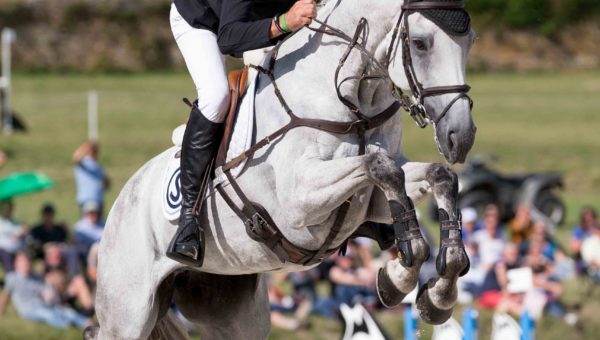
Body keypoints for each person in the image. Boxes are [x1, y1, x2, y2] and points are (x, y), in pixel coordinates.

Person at [167, 0, 318, 266]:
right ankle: (188, 219)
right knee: (216, 97)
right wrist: (283, 23)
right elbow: (228, 39)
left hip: (253, 16)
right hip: (201, 19)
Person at [0, 252, 91, 329]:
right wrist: (1, 310)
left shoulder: (36, 277)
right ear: (16, 264)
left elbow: (46, 293)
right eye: (23, 261)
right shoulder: (12, 278)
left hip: (44, 304)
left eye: (27, 261)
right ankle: (67, 326)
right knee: (48, 314)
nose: (26, 264)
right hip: (28, 308)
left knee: (66, 311)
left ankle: (86, 323)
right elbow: (5, 296)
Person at [73, 141, 110, 217]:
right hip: (86, 199)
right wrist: (86, 146)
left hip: (98, 199)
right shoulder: (84, 162)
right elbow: (76, 157)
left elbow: (107, 182)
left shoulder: (98, 166)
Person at [0, 200, 27, 272]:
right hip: (3, 250)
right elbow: (13, 236)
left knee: (24, 257)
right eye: (6, 209)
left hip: (17, 250)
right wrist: (19, 234)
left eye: (9, 208)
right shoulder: (1, 222)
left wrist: (24, 231)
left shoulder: (15, 222)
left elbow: (21, 232)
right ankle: (11, 275)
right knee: (6, 256)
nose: (8, 211)